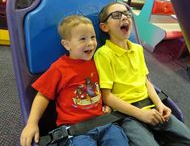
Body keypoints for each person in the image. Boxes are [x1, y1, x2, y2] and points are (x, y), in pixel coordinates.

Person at [94, 1, 190, 146]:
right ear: (104, 27)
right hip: (128, 115)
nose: (125, 17)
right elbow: (107, 96)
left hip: (151, 105)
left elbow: (146, 81)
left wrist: (160, 104)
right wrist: (141, 114)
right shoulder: (103, 54)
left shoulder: (138, 49)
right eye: (116, 15)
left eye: (127, 13)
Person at [20, 15, 129, 146]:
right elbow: (42, 96)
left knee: (119, 141)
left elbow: (106, 88)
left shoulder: (98, 61)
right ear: (67, 44)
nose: (90, 43)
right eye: (83, 39)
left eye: (93, 37)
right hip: (77, 130)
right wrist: (32, 123)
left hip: (103, 122)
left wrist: (108, 106)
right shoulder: (59, 68)